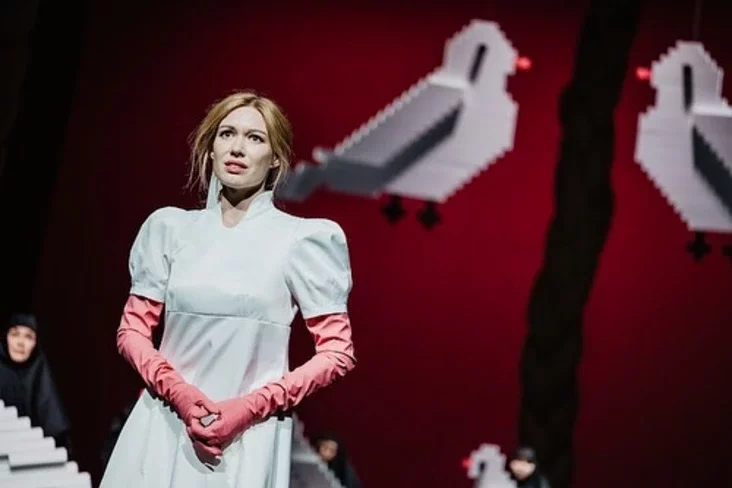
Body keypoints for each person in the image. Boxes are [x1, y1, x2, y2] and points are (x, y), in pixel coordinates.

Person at [100, 91, 356, 488]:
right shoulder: (170, 229)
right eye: (227, 133)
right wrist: (180, 393)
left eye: (255, 138)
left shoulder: (301, 240)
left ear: (276, 158)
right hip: (163, 423)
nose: (237, 147)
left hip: (247, 437)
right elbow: (132, 330)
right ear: (210, 148)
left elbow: (337, 351)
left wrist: (250, 406)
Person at [0, 313, 71, 451]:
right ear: (5, 338)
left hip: (32, 453)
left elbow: (54, 428)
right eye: (15, 334)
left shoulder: (40, 374)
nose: (20, 342)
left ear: (36, 343)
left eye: (28, 337)